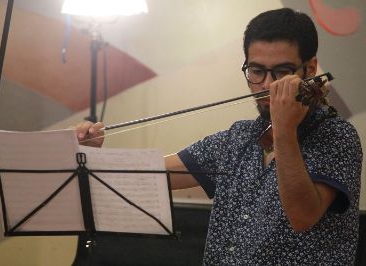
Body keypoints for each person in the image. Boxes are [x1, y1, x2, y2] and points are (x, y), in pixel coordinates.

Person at [76, 8, 363, 265]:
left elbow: (302, 216)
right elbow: (153, 174)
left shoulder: (337, 136)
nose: (267, 85)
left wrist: (284, 129)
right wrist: (91, 156)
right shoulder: (238, 138)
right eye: (256, 71)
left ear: (310, 69)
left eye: (282, 72)